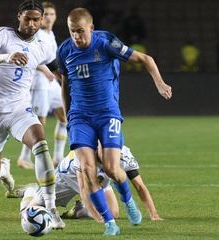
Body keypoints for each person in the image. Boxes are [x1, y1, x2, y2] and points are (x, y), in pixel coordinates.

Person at [56, 8, 172, 235]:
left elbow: (145, 58)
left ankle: (128, 201)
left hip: (107, 114)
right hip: (79, 117)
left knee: (111, 167)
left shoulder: (106, 43)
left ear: (91, 28)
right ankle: (109, 222)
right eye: (72, 32)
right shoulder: (64, 50)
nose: (76, 37)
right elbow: (65, 85)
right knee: (88, 169)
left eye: (80, 31)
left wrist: (159, 82)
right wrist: (68, 114)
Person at [0, 0, 65, 229]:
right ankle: (3, 169)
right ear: (19, 17)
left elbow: (62, 74)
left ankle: (51, 209)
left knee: (41, 145)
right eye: (27, 19)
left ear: (41, 21)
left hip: (19, 109)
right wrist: (6, 57)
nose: (31, 24)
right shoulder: (1, 35)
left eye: (36, 19)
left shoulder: (43, 46)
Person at [11, 145, 164, 223]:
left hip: (99, 181)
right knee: (27, 214)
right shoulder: (84, 155)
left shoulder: (124, 155)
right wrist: (99, 218)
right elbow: (84, 189)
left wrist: (154, 214)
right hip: (66, 178)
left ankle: (81, 210)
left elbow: (140, 186)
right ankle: (31, 191)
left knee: (113, 213)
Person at [17, 1, 67, 169]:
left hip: (52, 83)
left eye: (52, 14)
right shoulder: (36, 34)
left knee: (65, 117)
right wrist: (46, 70)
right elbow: (29, 57)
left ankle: (58, 156)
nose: (49, 18)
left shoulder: (50, 34)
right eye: (46, 15)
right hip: (40, 82)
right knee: (39, 122)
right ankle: (24, 157)